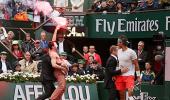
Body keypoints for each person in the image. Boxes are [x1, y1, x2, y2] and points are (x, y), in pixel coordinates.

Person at [115, 35, 141, 100]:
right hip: (120, 75)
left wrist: (138, 77)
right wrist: (115, 73)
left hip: (130, 74)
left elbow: (136, 64)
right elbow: (118, 63)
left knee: (130, 92)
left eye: (118, 42)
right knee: (121, 94)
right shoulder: (118, 51)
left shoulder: (131, 52)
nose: (117, 43)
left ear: (122, 43)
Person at [49, 27, 68, 100]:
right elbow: (54, 65)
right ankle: (51, 99)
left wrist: (56, 30)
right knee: (62, 87)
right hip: (58, 71)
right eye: (55, 44)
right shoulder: (53, 53)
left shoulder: (54, 51)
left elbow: (53, 40)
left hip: (61, 71)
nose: (56, 43)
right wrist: (62, 67)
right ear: (53, 46)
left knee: (63, 88)